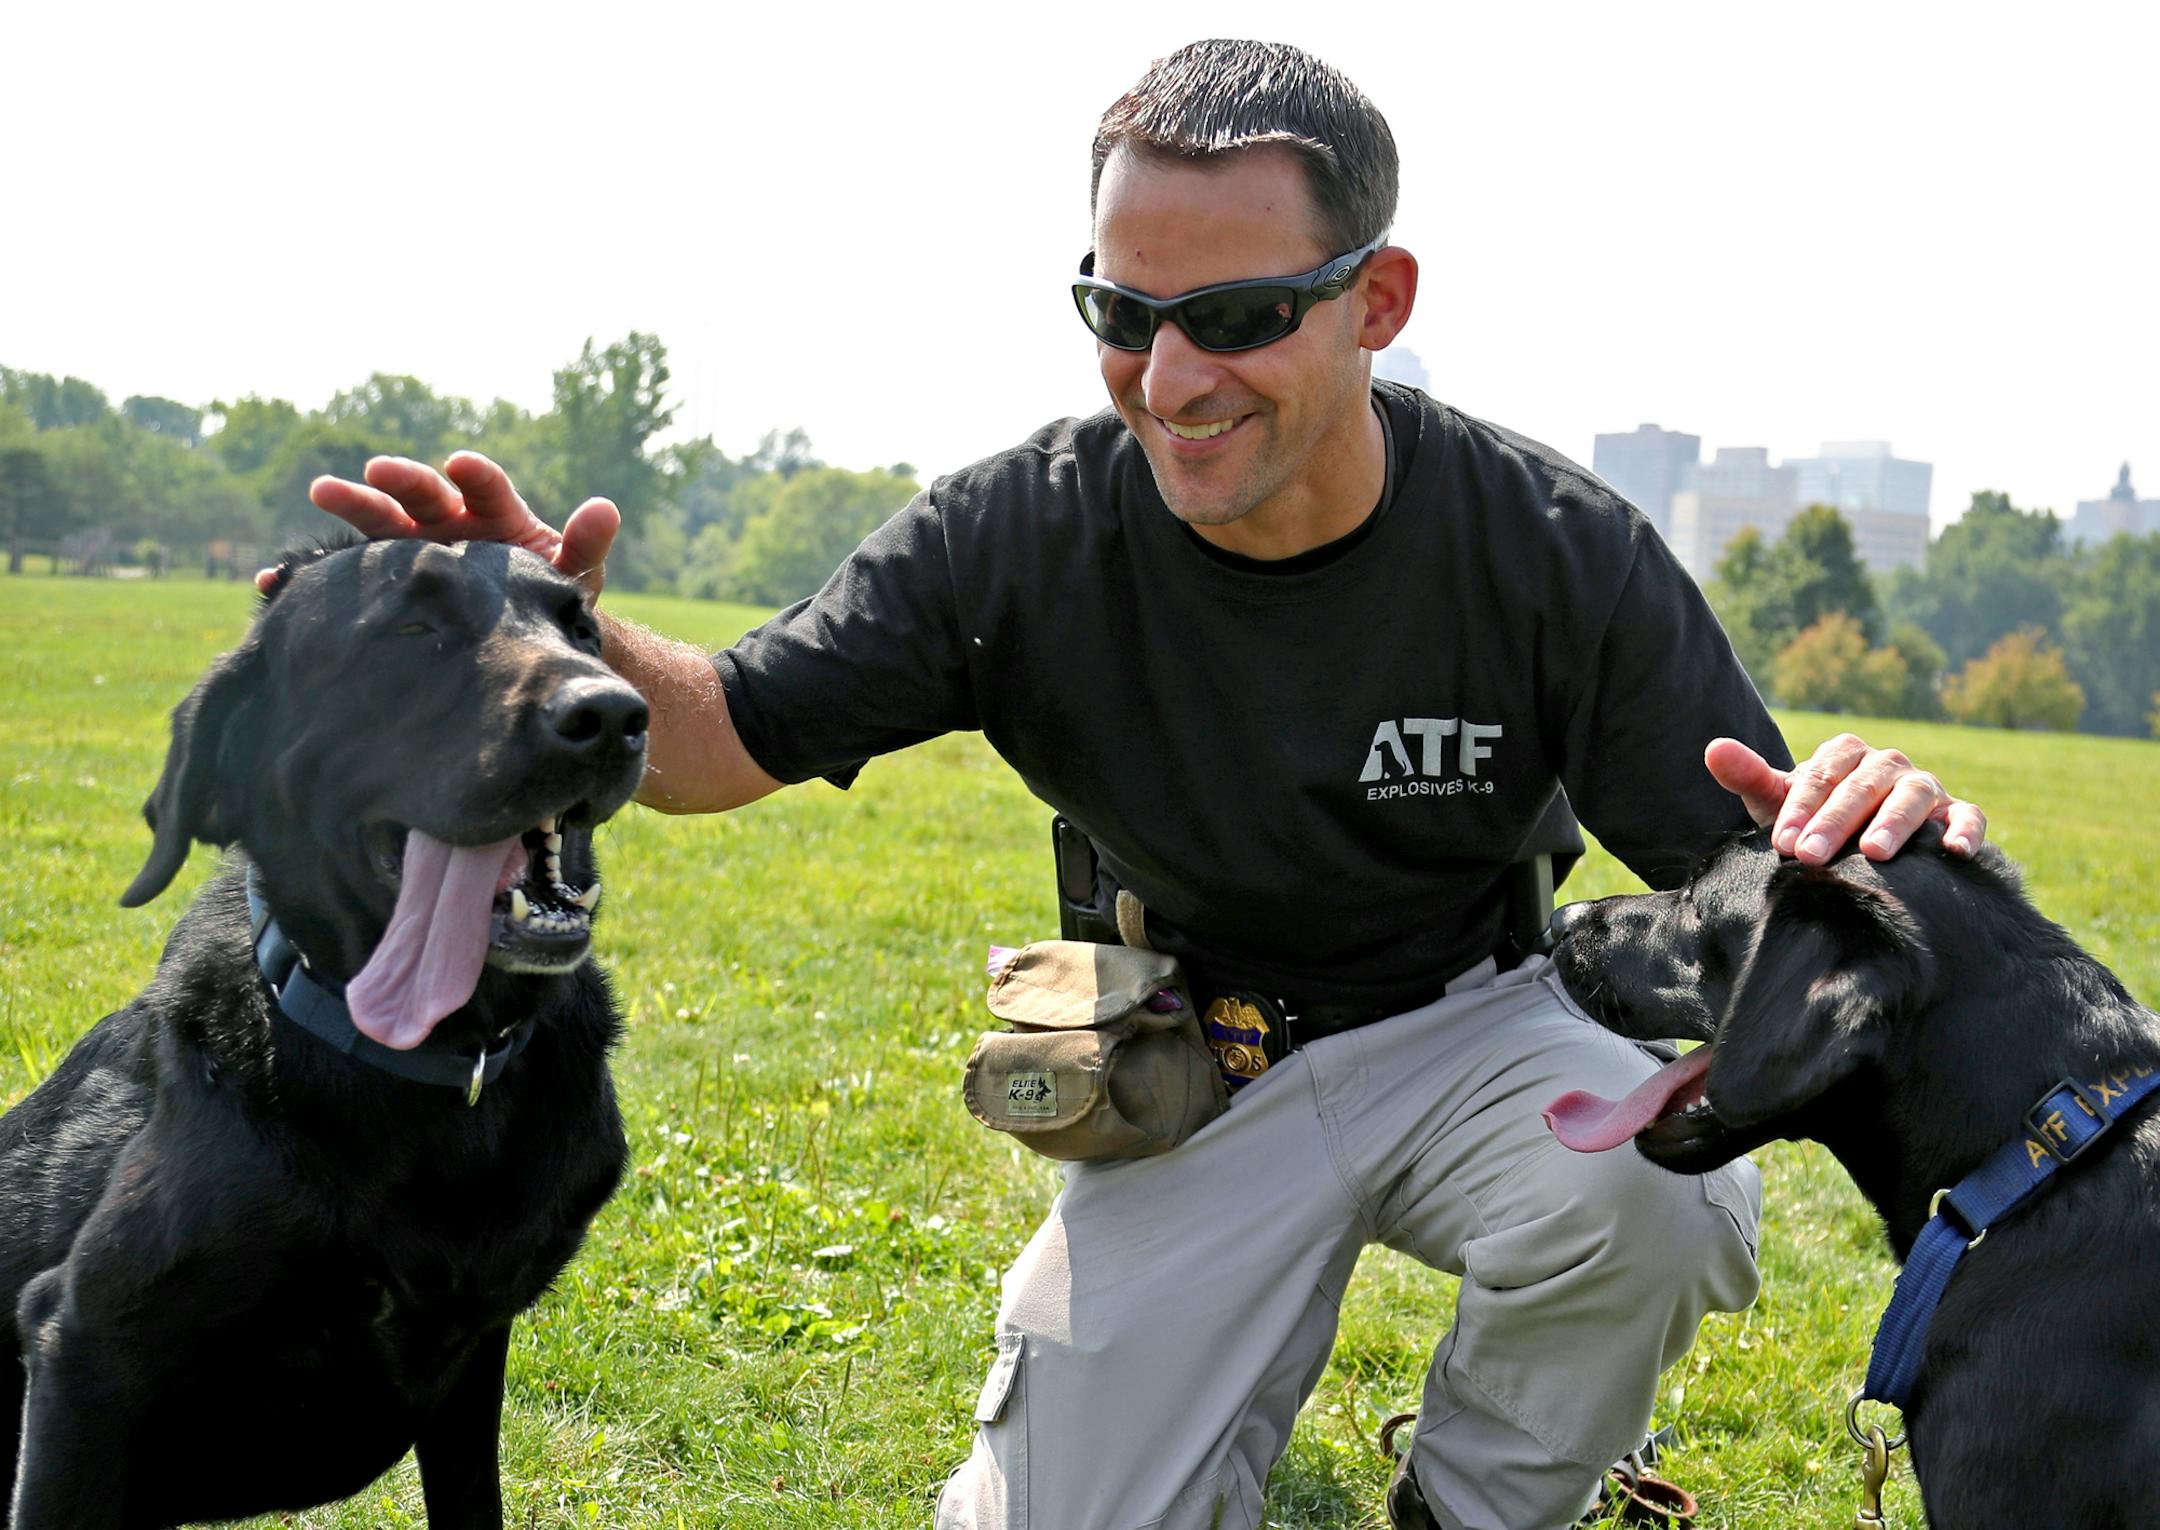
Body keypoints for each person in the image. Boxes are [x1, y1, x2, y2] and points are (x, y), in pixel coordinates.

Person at [304, 40, 1986, 1530]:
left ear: (1377, 302)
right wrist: (547, 642)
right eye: (1124, 314)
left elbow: (1761, 871)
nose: (1172, 382)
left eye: (1243, 318)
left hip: (1475, 1019)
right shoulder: (1014, 534)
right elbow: (719, 733)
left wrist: (1899, 845)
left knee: (1652, 1203)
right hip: (1198, 1053)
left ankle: (1470, 1500)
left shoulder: (1552, 554)